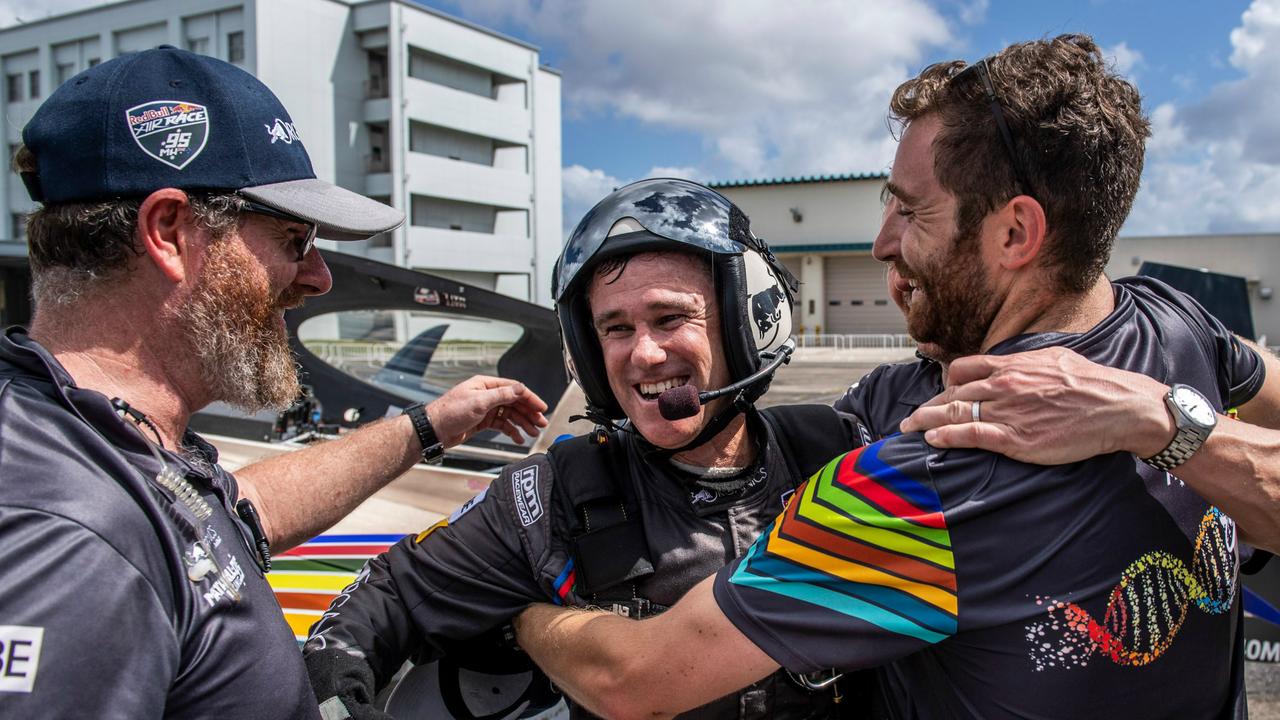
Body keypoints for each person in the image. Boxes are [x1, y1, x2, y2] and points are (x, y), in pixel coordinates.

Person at [512, 34, 1276, 719]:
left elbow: (636, 682)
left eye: (910, 212)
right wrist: (1174, 419)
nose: (882, 244)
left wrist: (521, 606)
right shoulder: (1175, 325)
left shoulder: (923, 482)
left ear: (1015, 233)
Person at [0, 47, 546, 718]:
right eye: (294, 239)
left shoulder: (102, 439)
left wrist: (430, 424)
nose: (317, 277)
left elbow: (234, 511)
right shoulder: (65, 532)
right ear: (169, 232)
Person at [302, 179, 869, 719]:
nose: (643, 355)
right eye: (616, 328)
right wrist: (334, 692)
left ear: (748, 323)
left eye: (670, 317)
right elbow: (389, 596)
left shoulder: (840, 453)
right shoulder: (555, 493)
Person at [899, 345, 1280, 554]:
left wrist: (1151, 416)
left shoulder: (1176, 322)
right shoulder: (888, 388)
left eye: (914, 214)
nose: (884, 247)